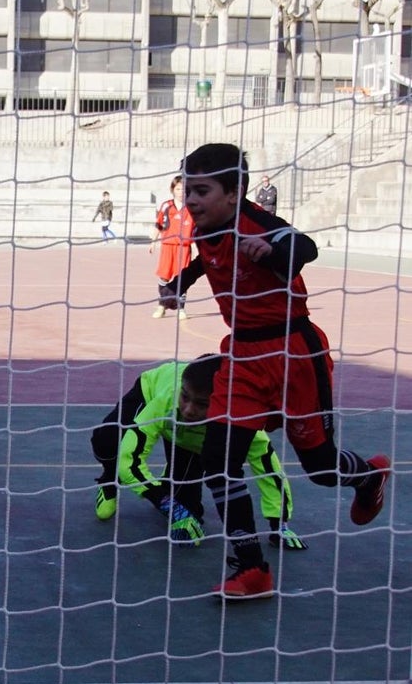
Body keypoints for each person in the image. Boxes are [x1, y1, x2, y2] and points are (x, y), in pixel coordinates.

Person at [160, 143, 389, 599]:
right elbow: (206, 263)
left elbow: (304, 247)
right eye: (189, 190)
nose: (192, 200)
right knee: (218, 460)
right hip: (241, 356)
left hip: (293, 354)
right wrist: (178, 285)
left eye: (202, 191)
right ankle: (251, 568)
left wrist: (272, 251)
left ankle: (367, 476)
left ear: (235, 191)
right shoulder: (206, 231)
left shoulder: (261, 225)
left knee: (321, 469)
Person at [91, 355, 307, 551]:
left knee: (190, 518)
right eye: (185, 397)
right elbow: (130, 459)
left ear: (223, 403)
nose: (188, 410)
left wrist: (279, 525)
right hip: (151, 394)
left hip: (194, 438)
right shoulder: (165, 400)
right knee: (107, 439)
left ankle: (171, 479)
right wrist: (167, 504)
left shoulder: (242, 423)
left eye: (201, 404)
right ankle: (109, 481)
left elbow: (268, 469)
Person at [150, 175, 193, 320]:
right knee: (164, 276)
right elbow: (158, 225)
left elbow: (198, 228)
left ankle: (181, 309)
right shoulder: (166, 206)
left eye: (183, 189)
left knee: (182, 278)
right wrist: (153, 241)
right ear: (173, 190)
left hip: (184, 248)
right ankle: (161, 306)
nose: (181, 192)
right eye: (178, 189)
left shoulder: (192, 207)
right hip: (168, 246)